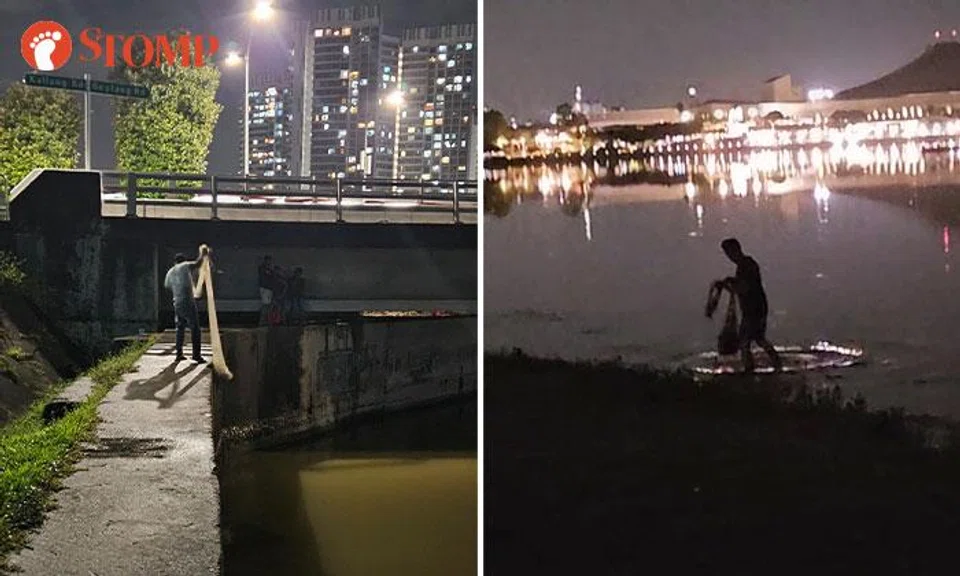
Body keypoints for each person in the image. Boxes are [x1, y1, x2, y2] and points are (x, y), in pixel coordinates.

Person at [719, 238, 782, 373]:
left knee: (745, 340)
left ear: (735, 250)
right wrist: (730, 282)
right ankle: (776, 363)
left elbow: (745, 287)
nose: (728, 256)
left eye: (729, 253)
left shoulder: (746, 265)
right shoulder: (745, 265)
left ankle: (750, 369)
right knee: (759, 338)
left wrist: (730, 285)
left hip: (754, 308)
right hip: (756, 307)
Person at [164, 247, 209, 363]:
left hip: (177, 302)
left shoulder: (170, 272)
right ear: (183, 260)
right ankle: (196, 355)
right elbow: (198, 263)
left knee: (180, 328)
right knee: (195, 328)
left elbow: (167, 286)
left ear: (174, 262)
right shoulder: (185, 266)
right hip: (187, 301)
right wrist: (203, 253)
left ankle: (179, 354)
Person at [258, 255, 276, 326]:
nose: (269, 262)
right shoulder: (262, 268)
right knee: (265, 305)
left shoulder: (269, 268)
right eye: (268, 260)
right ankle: (262, 321)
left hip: (269, 288)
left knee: (269, 305)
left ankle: (267, 320)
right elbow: (268, 274)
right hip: (265, 288)